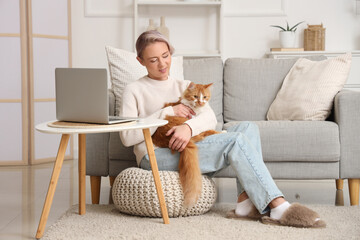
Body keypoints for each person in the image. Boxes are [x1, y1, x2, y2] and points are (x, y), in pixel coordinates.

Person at [119, 30, 325, 228]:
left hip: (187, 143)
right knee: (236, 140)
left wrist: (188, 128)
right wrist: (165, 113)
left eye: (165, 56)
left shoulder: (184, 85)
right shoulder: (133, 90)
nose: (162, 64)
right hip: (154, 155)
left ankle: (245, 204)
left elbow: (209, 117)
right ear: (140, 61)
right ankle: (278, 205)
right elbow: (127, 137)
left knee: (248, 128)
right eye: (153, 60)